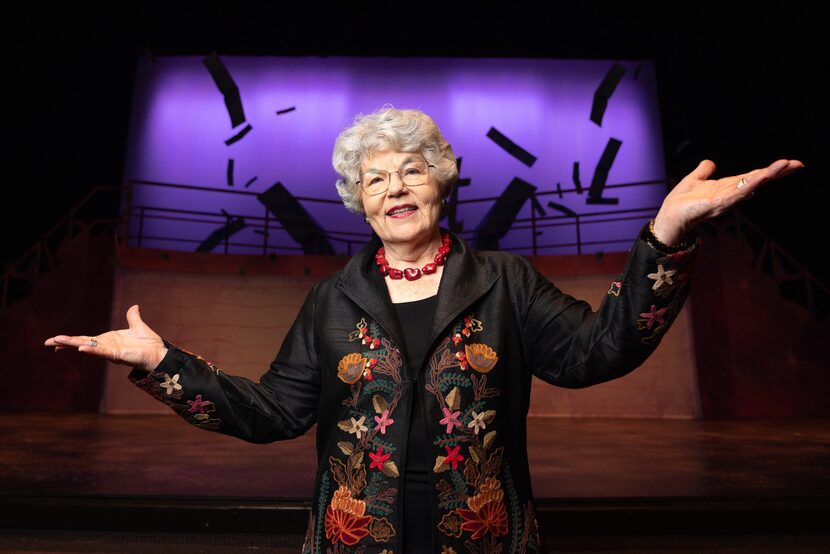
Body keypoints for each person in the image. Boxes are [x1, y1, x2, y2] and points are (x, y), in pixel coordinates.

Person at [45, 106, 804, 553]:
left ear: (442, 180)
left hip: (486, 538)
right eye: (374, 179)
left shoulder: (505, 282)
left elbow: (598, 352)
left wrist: (666, 233)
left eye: (411, 169)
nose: (394, 187)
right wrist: (162, 362)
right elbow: (273, 412)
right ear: (360, 204)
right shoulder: (333, 301)